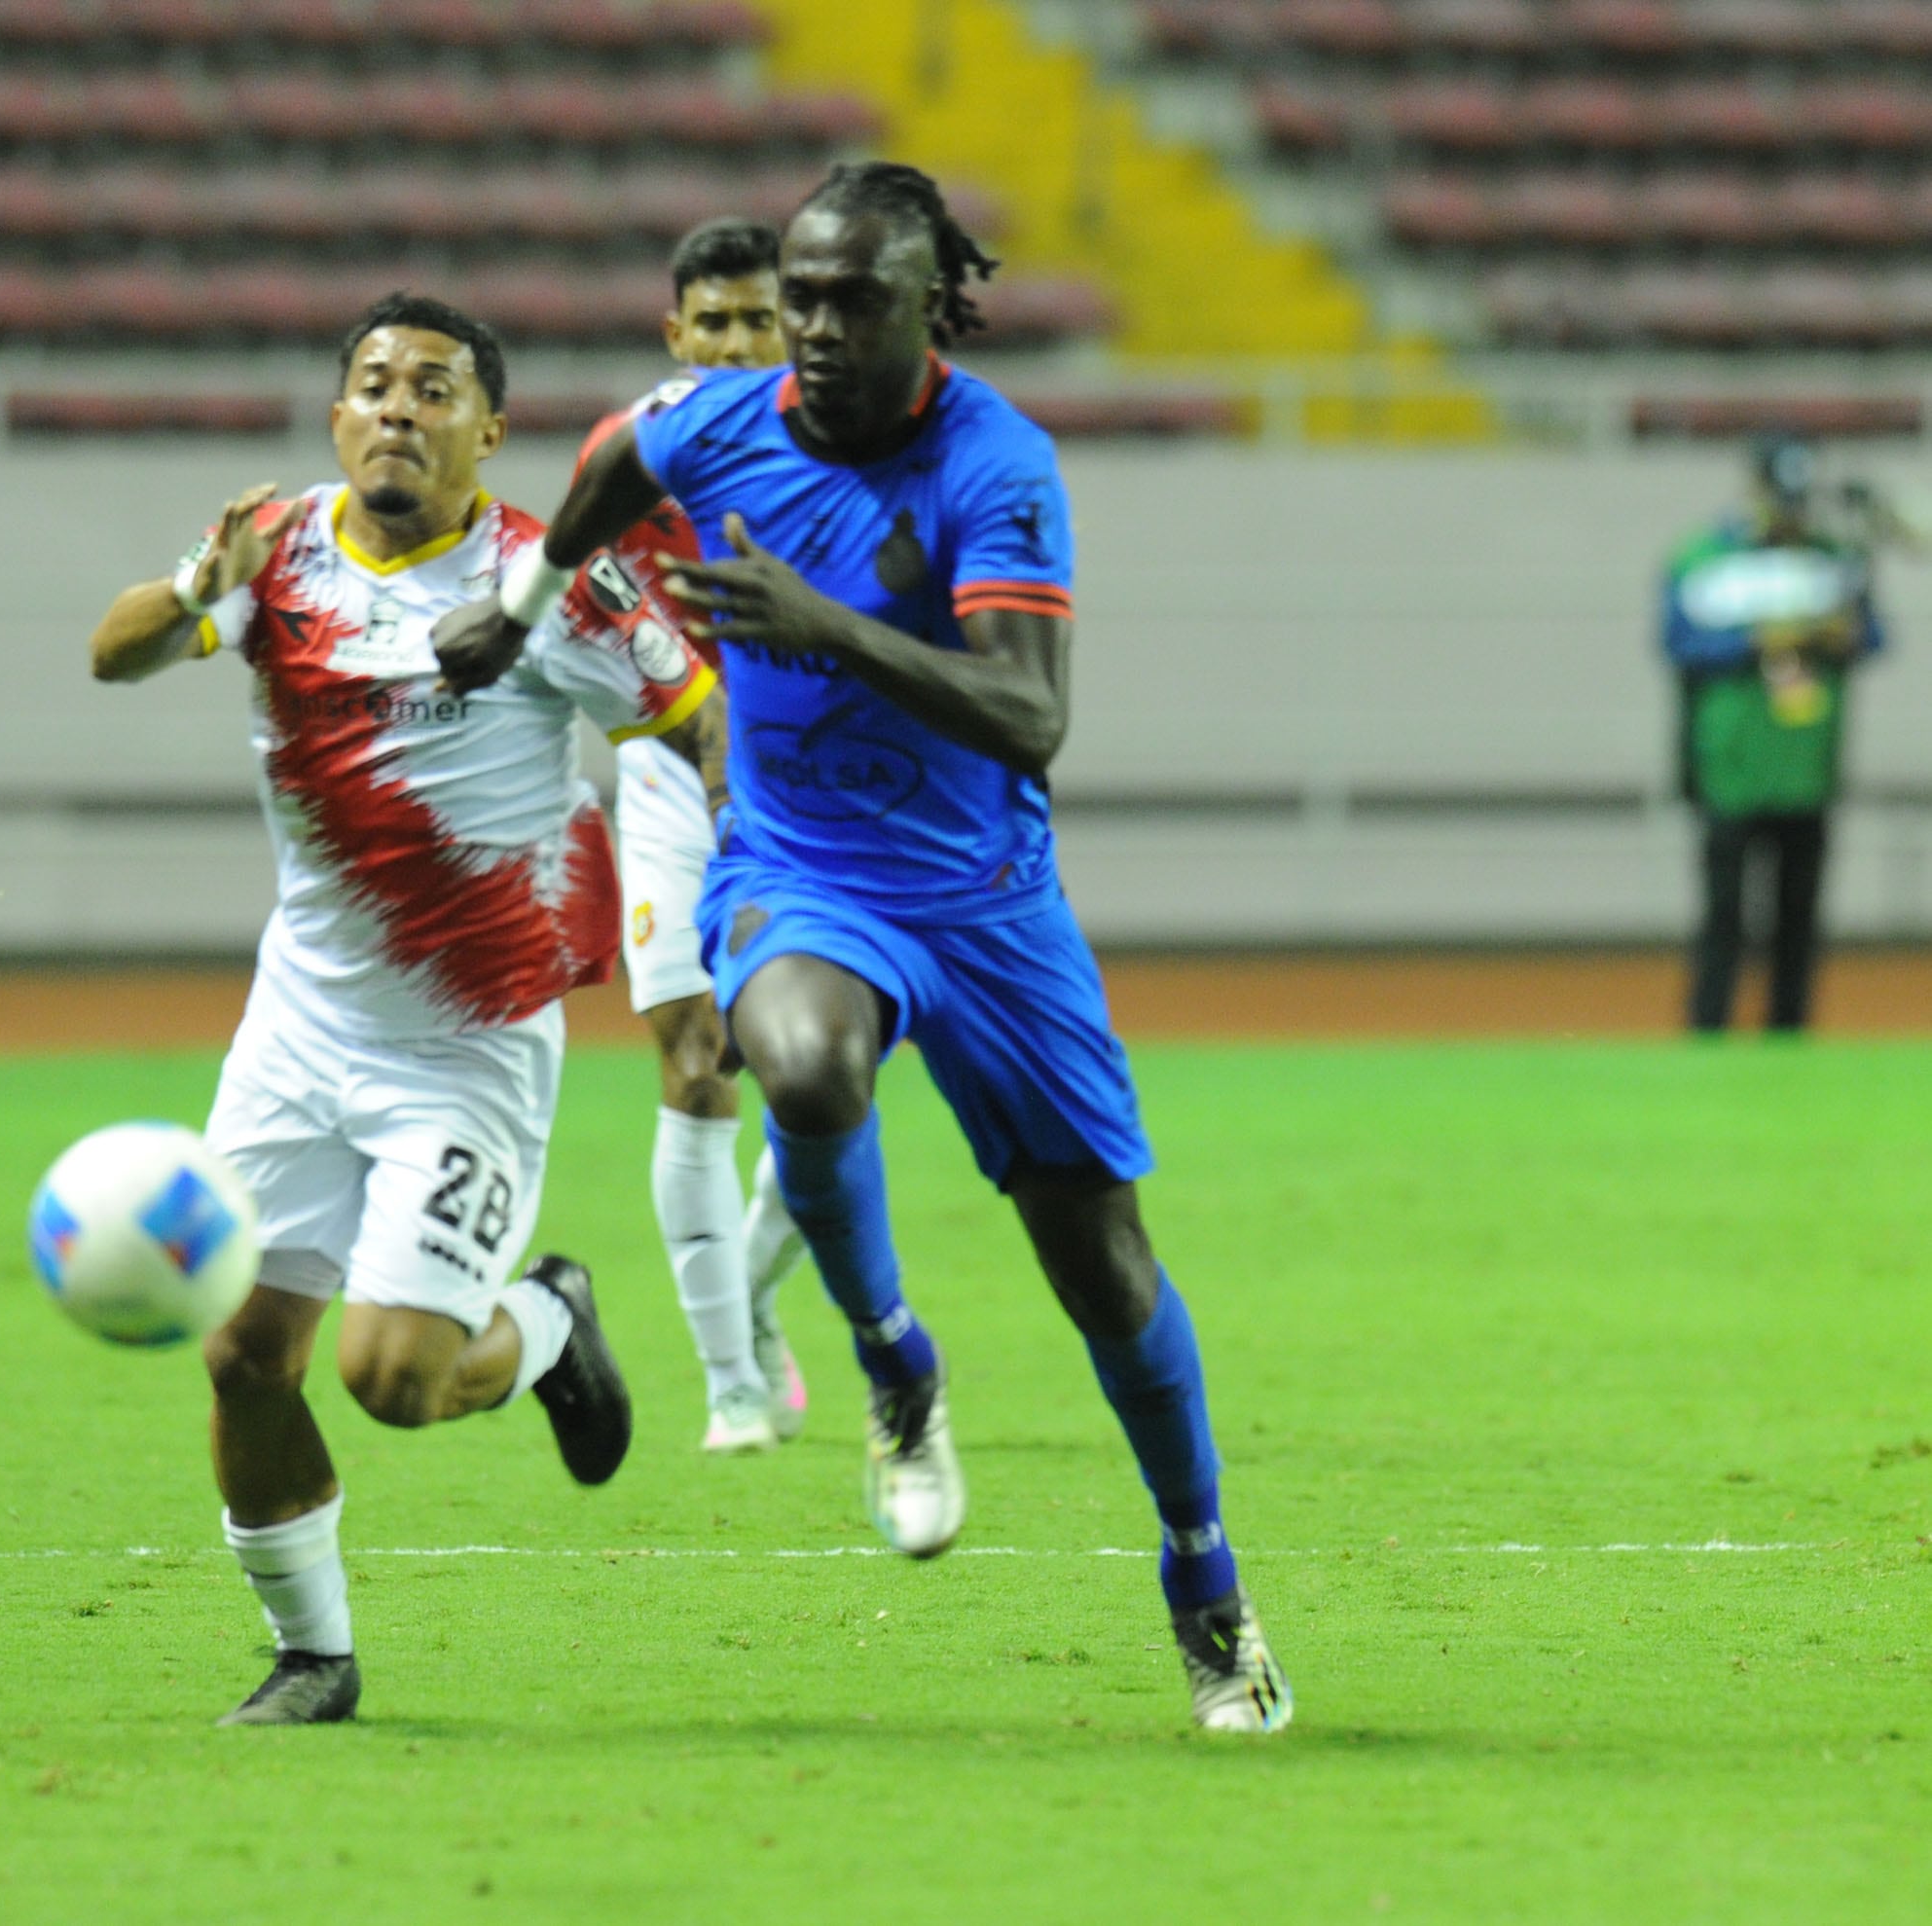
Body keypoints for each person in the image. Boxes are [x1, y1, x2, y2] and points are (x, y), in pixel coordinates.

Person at [434, 164, 1293, 1733]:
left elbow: (1035, 716)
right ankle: (894, 1361)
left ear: (931, 306)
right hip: (804, 868)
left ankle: (1205, 1577)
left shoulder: (996, 462)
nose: (816, 329)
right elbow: (618, 456)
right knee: (803, 1064)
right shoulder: (722, 419)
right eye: (804, 296)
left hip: (987, 898)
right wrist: (528, 594)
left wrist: (819, 624)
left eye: (852, 301)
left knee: (1104, 1267)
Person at [87, 293, 723, 1727]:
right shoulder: (275, 545)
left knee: (393, 1378)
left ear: (489, 431)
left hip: (466, 1045)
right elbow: (110, 654)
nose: (397, 408)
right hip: (299, 1027)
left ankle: (551, 1320)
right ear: (335, 416)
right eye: (372, 384)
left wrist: (735, 899)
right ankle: (313, 1652)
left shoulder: (549, 581)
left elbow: (696, 718)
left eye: (434, 389)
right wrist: (197, 586)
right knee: (244, 1352)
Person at [585, 216, 810, 1454]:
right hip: (672, 776)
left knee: (818, 1088)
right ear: (673, 332)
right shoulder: (627, 463)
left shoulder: (847, 454)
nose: (732, 341)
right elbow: (612, 636)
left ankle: (754, 1296)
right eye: (711, 320)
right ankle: (731, 1385)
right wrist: (706, 742)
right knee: (695, 1056)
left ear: (795, 330)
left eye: (756, 319)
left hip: (821, 791)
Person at [1663, 434, 1887, 1034]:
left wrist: (1842, 631)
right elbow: (1677, 641)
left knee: (1798, 919)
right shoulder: (1704, 558)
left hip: (1807, 768)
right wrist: (1754, 641)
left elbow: (1872, 637)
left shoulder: (1831, 559)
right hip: (1730, 768)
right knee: (1724, 914)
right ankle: (1708, 1027)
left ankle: (1789, 1033)